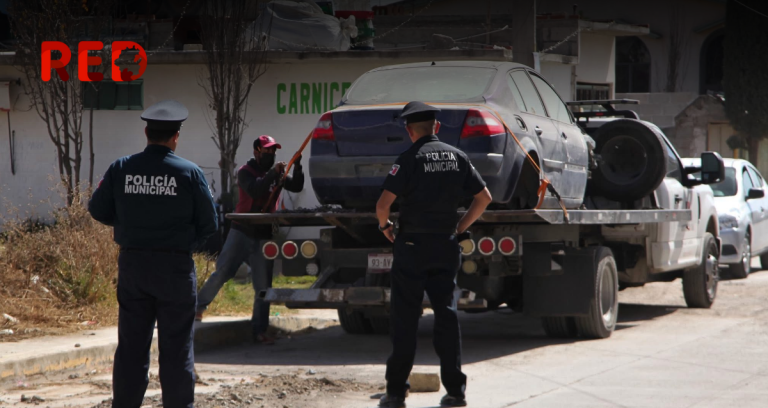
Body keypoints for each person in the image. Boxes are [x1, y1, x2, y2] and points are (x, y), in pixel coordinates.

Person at [88, 100, 218, 408]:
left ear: (146, 133)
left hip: (133, 266)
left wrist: (129, 225)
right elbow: (209, 224)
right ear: (176, 137)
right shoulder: (190, 172)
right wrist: (183, 242)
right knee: (177, 348)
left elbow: (97, 209)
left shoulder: (122, 168)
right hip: (175, 269)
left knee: (131, 347)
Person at [376, 102, 493, 408]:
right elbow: (484, 198)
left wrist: (385, 227)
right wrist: (460, 226)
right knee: (447, 316)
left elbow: (382, 205)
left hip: (412, 248)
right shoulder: (458, 157)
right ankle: (455, 392)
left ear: (409, 131)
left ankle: (396, 393)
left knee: (404, 319)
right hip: (445, 245)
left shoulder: (408, 159)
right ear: (436, 127)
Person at [196, 135, 304, 344]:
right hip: (242, 231)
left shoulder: (277, 175)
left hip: (263, 235)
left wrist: (297, 166)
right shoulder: (245, 172)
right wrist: (273, 174)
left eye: (273, 151)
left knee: (263, 287)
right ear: (256, 152)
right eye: (267, 151)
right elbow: (255, 190)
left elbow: (297, 186)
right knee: (223, 272)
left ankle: (259, 330)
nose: (271, 154)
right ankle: (198, 307)